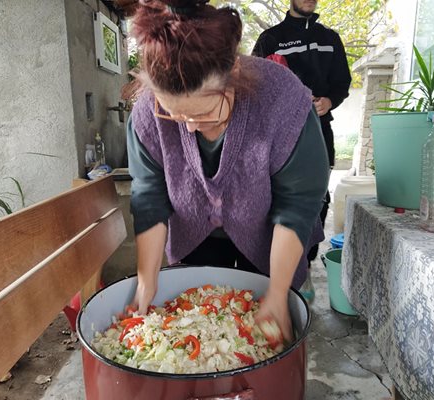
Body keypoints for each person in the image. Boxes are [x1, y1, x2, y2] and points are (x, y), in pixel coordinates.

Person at [125, 0, 329, 341]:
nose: (189, 130)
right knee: (200, 324)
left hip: (271, 235)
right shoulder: (148, 112)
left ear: (233, 72)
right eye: (175, 116)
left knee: (267, 317)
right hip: (194, 233)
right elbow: (149, 196)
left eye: (205, 114)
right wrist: (147, 281)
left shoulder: (283, 100)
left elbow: (296, 205)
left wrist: (278, 295)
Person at [252, 0, 352, 300]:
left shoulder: (330, 39)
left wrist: (329, 101)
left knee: (317, 200)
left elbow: (342, 82)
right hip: (280, 135)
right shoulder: (271, 38)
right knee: (276, 199)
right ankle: (274, 269)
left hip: (319, 131)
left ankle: (303, 267)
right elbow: (255, 85)